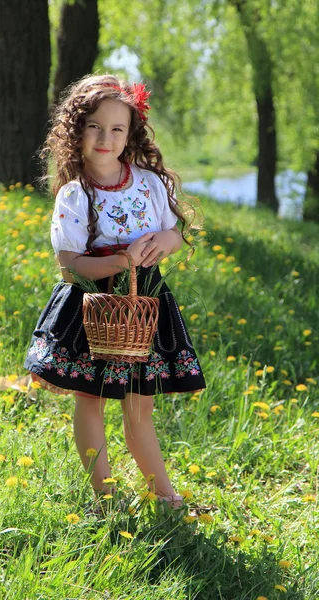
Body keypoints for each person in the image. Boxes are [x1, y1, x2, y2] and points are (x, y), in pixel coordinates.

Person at [24, 73, 206, 511]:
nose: (106, 138)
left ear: (130, 134)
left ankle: (165, 495)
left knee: (140, 406)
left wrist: (170, 241)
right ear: (76, 131)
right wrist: (118, 262)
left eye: (117, 129)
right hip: (95, 303)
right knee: (91, 398)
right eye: (95, 127)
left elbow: (179, 231)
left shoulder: (148, 182)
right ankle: (105, 497)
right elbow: (70, 266)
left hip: (144, 302)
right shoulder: (75, 194)